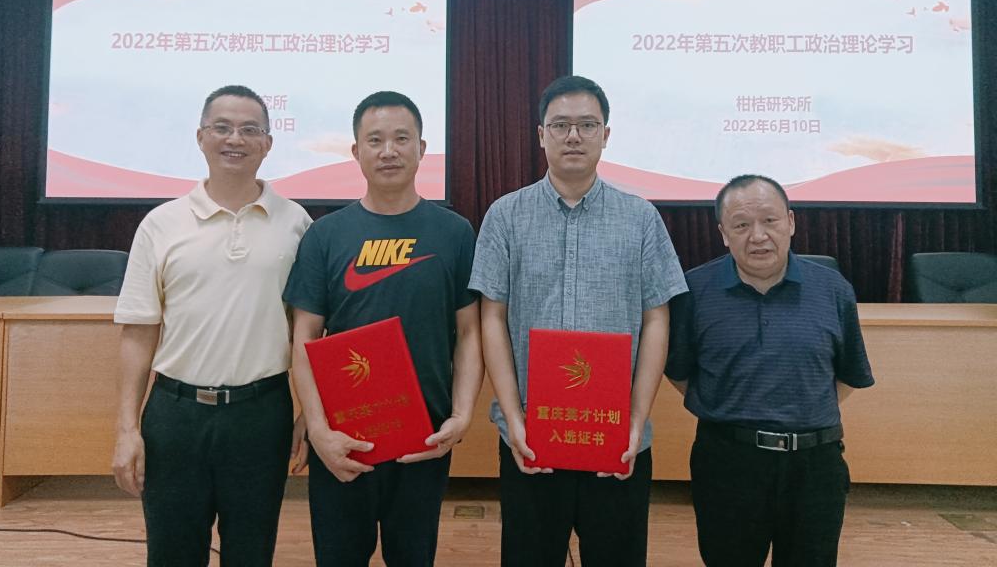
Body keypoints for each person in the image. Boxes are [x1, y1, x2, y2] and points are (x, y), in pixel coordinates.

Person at [469, 74, 688, 567]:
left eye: (587, 125)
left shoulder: (640, 218)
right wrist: (515, 420)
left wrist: (634, 422)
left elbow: (657, 319)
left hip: (615, 439)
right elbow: (492, 318)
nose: (573, 136)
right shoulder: (505, 216)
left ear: (605, 135)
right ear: (540, 134)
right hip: (531, 436)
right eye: (560, 125)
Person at [111, 85, 312, 566]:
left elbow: (307, 329)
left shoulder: (297, 223)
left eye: (249, 129)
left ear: (268, 143)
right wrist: (126, 428)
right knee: (172, 553)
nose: (234, 139)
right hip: (175, 416)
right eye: (222, 127)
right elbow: (138, 332)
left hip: (261, 415)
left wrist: (310, 411)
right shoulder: (161, 224)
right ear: (201, 137)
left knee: (251, 551)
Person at [284, 90, 482, 567]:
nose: (388, 151)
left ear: (422, 148)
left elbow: (470, 333)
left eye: (401, 138)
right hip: (343, 441)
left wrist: (461, 415)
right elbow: (304, 339)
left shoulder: (455, 232)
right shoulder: (325, 235)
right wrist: (318, 431)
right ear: (356, 151)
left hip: (424, 440)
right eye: (375, 140)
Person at [665, 174, 875, 567]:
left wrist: (799, 412)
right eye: (741, 225)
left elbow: (848, 375)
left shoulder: (833, 289)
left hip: (815, 466)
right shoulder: (694, 291)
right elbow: (679, 372)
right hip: (728, 463)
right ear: (723, 234)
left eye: (770, 220)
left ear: (791, 222)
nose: (758, 236)